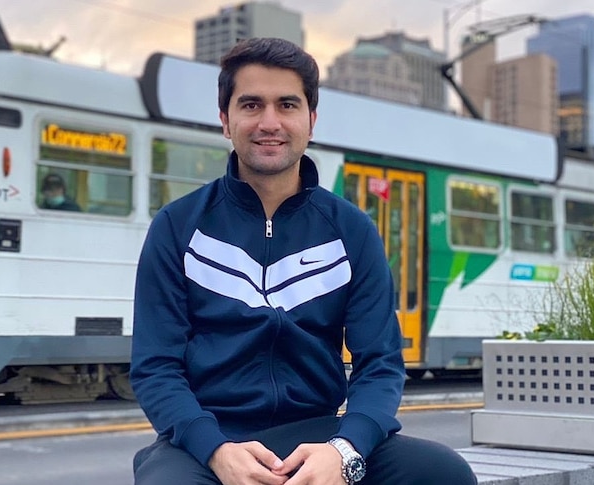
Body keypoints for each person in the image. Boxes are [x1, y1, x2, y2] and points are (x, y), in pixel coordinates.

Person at [130, 38, 477, 485]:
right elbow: (156, 366)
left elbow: (381, 363)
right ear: (225, 120)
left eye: (287, 105)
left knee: (444, 472)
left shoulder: (352, 230)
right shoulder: (177, 226)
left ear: (311, 121)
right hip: (209, 442)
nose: (269, 122)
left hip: (321, 435)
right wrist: (215, 450)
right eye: (251, 105)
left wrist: (345, 450)